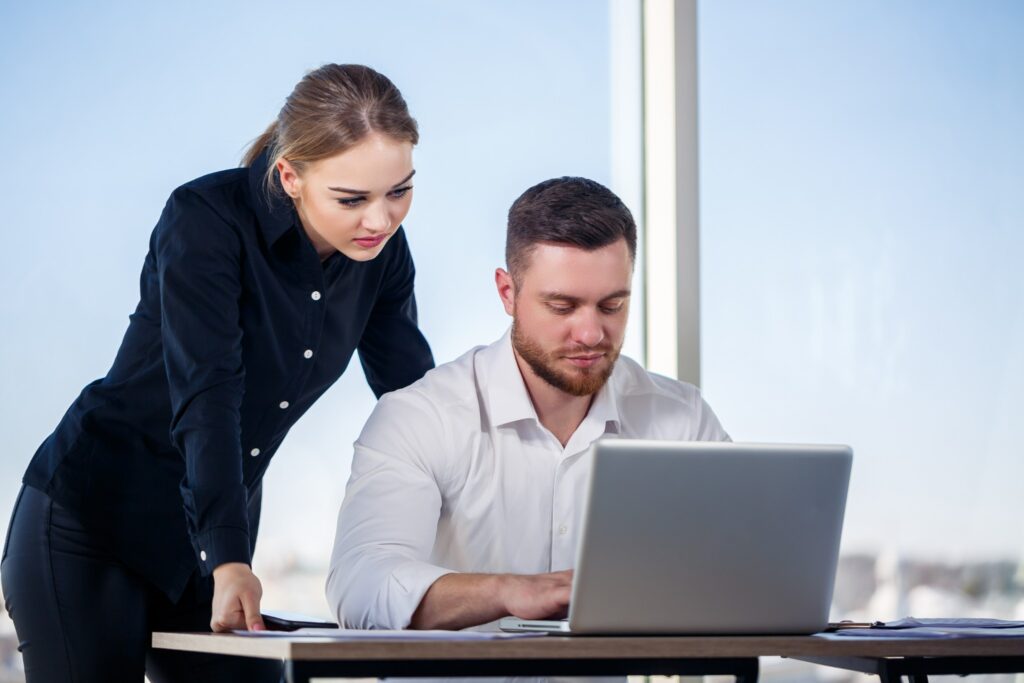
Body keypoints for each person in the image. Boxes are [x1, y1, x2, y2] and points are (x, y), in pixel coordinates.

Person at [1, 63, 434, 683]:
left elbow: (411, 398)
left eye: (400, 190)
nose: (381, 220)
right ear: (290, 176)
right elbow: (209, 394)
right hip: (92, 528)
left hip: (209, 545)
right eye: (352, 198)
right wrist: (228, 559)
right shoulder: (205, 217)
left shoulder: (382, 254)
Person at [327, 176, 728, 636]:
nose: (591, 334)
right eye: (562, 306)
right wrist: (510, 592)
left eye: (612, 305)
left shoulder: (683, 418)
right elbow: (360, 586)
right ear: (508, 294)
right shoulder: (422, 416)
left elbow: (745, 566)